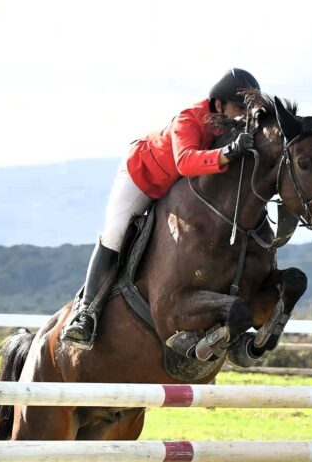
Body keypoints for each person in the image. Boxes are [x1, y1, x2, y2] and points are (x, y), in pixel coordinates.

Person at [60, 68, 261, 350]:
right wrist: (228, 153)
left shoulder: (230, 127)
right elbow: (186, 162)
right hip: (142, 178)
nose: (242, 115)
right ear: (218, 104)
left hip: (175, 191)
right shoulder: (189, 119)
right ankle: (85, 314)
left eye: (246, 109)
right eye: (238, 107)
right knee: (115, 233)